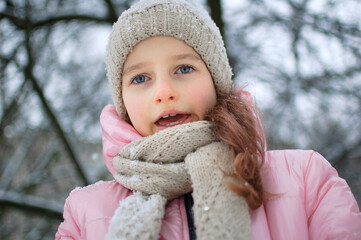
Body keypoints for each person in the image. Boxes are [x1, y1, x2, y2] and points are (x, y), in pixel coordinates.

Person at [56, 0, 361, 239]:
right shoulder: (85, 214)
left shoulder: (306, 180)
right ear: (122, 102)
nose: (164, 92)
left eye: (184, 69)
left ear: (217, 82)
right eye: (140, 78)